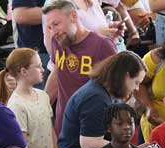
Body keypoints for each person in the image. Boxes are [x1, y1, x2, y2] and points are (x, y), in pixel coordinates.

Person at [42, 0, 117, 134]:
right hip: (64, 125)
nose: (53, 32)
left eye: (56, 24)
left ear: (74, 17)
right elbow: (57, 73)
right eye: (49, 27)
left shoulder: (102, 45)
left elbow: (118, 86)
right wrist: (41, 106)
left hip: (93, 126)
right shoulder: (58, 40)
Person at [0, 49, 55, 148]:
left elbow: (50, 130)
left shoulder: (43, 96)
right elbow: (23, 146)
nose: (42, 69)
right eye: (38, 66)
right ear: (24, 71)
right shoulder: (16, 105)